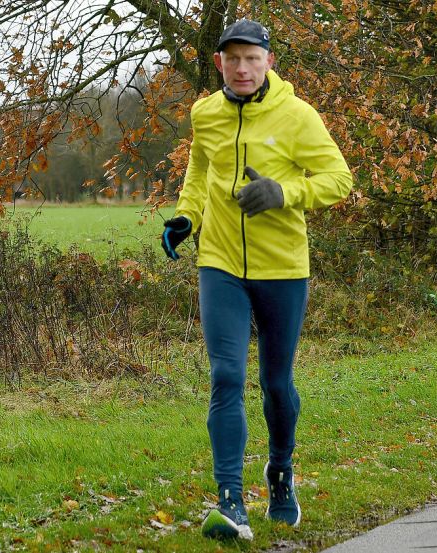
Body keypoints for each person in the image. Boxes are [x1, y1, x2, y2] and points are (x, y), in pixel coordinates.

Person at [160, 19, 353, 540]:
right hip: (219, 263)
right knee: (225, 376)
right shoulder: (205, 113)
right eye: (232, 59)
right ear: (219, 63)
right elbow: (200, 174)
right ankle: (230, 502)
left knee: (276, 385)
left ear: (268, 61)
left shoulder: (297, 116)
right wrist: (187, 217)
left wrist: (283, 193)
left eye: (252, 58)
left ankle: (281, 471)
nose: (242, 68)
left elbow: (339, 179)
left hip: (283, 268)